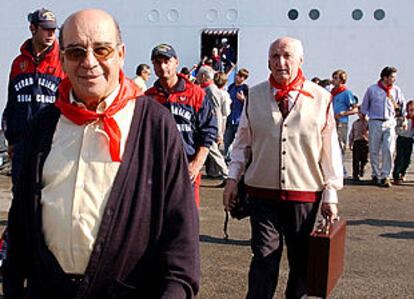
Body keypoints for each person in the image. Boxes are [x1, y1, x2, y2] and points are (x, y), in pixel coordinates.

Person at [3, 9, 199, 298]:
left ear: (121, 54)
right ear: (62, 59)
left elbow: (181, 236)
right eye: (76, 52)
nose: (89, 62)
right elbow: (21, 221)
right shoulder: (43, 126)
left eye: (102, 49)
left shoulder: (155, 125)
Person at [223, 36, 343, 299]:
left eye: (287, 56)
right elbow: (242, 142)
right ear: (268, 62)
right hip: (261, 194)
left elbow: (330, 149)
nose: (281, 62)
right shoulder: (253, 96)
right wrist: (232, 179)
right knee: (264, 257)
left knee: (301, 262)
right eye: (275, 56)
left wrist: (331, 193)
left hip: (305, 194)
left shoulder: (321, 98)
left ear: (300, 60)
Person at [146, 43, 217, 207]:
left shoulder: (196, 94)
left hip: (187, 167)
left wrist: (197, 164)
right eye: (157, 62)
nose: (162, 66)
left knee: (186, 220)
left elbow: (208, 131)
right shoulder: (148, 98)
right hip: (156, 171)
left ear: (176, 62)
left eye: (167, 61)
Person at [1, 8, 64, 191]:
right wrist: (11, 139)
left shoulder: (62, 62)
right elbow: (12, 103)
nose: (51, 33)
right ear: (33, 29)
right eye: (46, 28)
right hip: (22, 142)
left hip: (51, 142)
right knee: (20, 194)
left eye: (53, 29)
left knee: (47, 194)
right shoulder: (18, 64)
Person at [361, 66, 406, 187]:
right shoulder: (372, 90)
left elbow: (402, 105)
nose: (394, 80)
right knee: (374, 149)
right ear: (384, 77)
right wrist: (363, 123)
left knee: (389, 149)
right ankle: (376, 174)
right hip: (375, 121)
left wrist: (404, 119)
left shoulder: (396, 90)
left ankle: (386, 175)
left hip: (390, 121)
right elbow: (364, 107)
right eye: (392, 77)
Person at [196, 66, 230, 183]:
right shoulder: (208, 89)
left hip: (210, 128)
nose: (197, 78)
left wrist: (218, 132)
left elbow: (217, 112)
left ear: (204, 77)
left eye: (199, 76)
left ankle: (227, 175)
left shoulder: (210, 90)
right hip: (206, 127)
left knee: (214, 152)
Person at [331, 69, 358, 177]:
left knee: (340, 145)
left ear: (342, 80)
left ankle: (342, 170)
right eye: (333, 77)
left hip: (341, 123)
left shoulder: (346, 93)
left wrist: (343, 113)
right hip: (331, 122)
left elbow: (355, 109)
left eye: (336, 78)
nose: (333, 80)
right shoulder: (331, 93)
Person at [224, 68, 249, 159]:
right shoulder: (231, 87)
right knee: (227, 140)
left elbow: (249, 103)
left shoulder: (245, 89)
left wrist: (243, 99)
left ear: (244, 78)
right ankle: (226, 158)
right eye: (238, 75)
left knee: (237, 141)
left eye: (240, 76)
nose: (237, 77)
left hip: (239, 119)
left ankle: (232, 158)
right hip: (230, 119)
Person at [392, 100, 414, 184]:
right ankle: (396, 175)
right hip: (401, 138)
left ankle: (403, 173)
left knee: (407, 159)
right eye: (411, 110)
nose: (412, 112)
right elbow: (396, 127)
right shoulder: (402, 119)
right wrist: (401, 126)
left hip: (409, 139)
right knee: (400, 158)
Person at [349, 107, 369, 181]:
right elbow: (352, 133)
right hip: (357, 142)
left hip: (365, 142)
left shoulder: (368, 122)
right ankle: (355, 174)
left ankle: (362, 169)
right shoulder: (355, 123)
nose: (361, 115)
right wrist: (350, 143)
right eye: (359, 113)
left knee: (364, 159)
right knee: (356, 159)